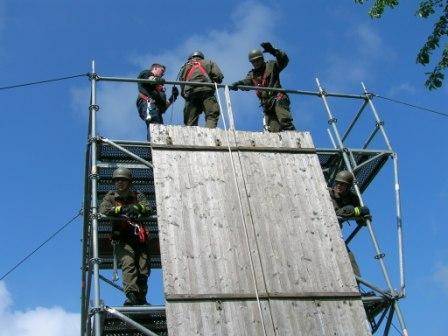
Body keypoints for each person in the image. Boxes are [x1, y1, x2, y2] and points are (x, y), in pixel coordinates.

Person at [99, 167, 152, 306]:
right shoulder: (111, 197)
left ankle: (141, 298)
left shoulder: (137, 195)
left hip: (139, 238)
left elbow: (148, 207)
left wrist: (137, 208)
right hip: (122, 238)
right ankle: (131, 295)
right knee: (128, 263)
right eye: (117, 180)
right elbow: (103, 210)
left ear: (129, 182)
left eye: (123, 180)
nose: (119, 183)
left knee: (143, 269)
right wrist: (120, 209)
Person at [230, 42, 296, 132]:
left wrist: (274, 51)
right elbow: (246, 83)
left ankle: (294, 137)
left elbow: (284, 61)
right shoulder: (252, 75)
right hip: (267, 105)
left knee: (285, 121)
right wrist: (238, 84)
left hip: (278, 98)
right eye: (253, 61)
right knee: (273, 130)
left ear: (262, 59)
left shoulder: (272, 66)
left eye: (258, 60)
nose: (256, 63)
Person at [328, 170, 371, 277]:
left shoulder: (352, 198)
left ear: (348, 186)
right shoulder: (328, 193)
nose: (338, 185)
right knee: (350, 208)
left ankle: (357, 288)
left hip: (335, 234)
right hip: (324, 230)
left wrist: (365, 216)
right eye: (337, 182)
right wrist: (357, 211)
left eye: (342, 184)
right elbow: (336, 214)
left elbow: (361, 222)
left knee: (350, 259)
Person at [178, 51, 224, 128]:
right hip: (206, 91)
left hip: (191, 94)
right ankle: (209, 132)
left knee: (190, 119)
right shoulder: (209, 62)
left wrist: (185, 95)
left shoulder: (185, 67)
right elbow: (218, 76)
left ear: (190, 58)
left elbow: (181, 83)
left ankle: (191, 135)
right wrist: (213, 84)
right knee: (212, 115)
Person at [136, 63, 179, 140]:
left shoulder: (159, 89)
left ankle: (155, 145)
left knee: (159, 127)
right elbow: (151, 80)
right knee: (154, 124)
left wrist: (173, 97)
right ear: (155, 68)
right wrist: (160, 81)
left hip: (156, 109)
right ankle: (153, 145)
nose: (163, 73)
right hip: (147, 103)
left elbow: (163, 108)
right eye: (162, 70)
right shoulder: (146, 73)